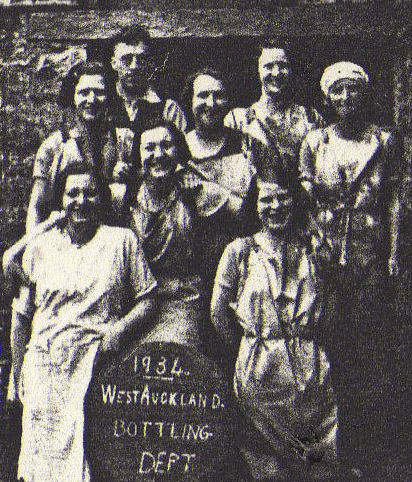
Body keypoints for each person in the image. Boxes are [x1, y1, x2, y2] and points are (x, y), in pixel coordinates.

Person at [8, 164, 156, 482]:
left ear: (101, 199)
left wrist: (120, 329)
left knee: (88, 398)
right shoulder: (42, 247)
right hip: (47, 350)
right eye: (73, 193)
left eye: (90, 192)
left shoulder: (122, 241)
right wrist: (17, 374)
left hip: (98, 349)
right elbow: (22, 316)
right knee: (43, 390)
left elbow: (148, 299)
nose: (81, 200)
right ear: (61, 200)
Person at [299, 61, 401, 463]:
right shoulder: (315, 142)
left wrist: (394, 252)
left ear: (364, 94)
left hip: (368, 255)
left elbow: (393, 200)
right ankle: (326, 441)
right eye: (337, 91)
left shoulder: (383, 140)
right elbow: (304, 202)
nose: (345, 98)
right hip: (325, 257)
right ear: (327, 96)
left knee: (368, 345)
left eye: (352, 90)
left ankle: (366, 445)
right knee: (328, 343)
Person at [210, 172, 338, 480]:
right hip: (259, 368)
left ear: (295, 202)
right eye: (267, 199)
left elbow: (331, 310)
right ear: (254, 206)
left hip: (310, 369)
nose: (276, 206)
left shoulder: (310, 250)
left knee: (320, 474)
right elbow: (218, 313)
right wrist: (252, 345)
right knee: (270, 476)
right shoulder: (239, 252)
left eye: (283, 198)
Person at [127, 119, 228, 353]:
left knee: (175, 357)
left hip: (181, 301)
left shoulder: (194, 192)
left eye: (166, 146)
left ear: (179, 151)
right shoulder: (125, 197)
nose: (158, 154)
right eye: (149, 148)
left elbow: (244, 213)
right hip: (134, 303)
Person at [27, 61, 127, 232]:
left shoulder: (124, 140)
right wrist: (32, 251)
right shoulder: (54, 146)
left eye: (99, 92)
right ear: (73, 97)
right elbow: (37, 206)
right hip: (67, 240)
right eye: (84, 92)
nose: (92, 100)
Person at [183, 68, 258, 296]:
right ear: (190, 100)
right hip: (194, 270)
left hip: (242, 262)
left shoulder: (247, 145)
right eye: (203, 95)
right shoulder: (177, 149)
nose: (212, 103)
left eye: (219, 95)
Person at [225, 43, 324, 175]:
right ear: (259, 70)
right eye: (269, 66)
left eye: (283, 66)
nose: (276, 73)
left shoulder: (310, 118)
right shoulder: (238, 120)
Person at [110, 25, 186, 178]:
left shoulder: (167, 108)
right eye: (127, 59)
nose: (135, 66)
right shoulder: (104, 103)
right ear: (114, 63)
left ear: (150, 63)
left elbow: (181, 162)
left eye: (141, 59)